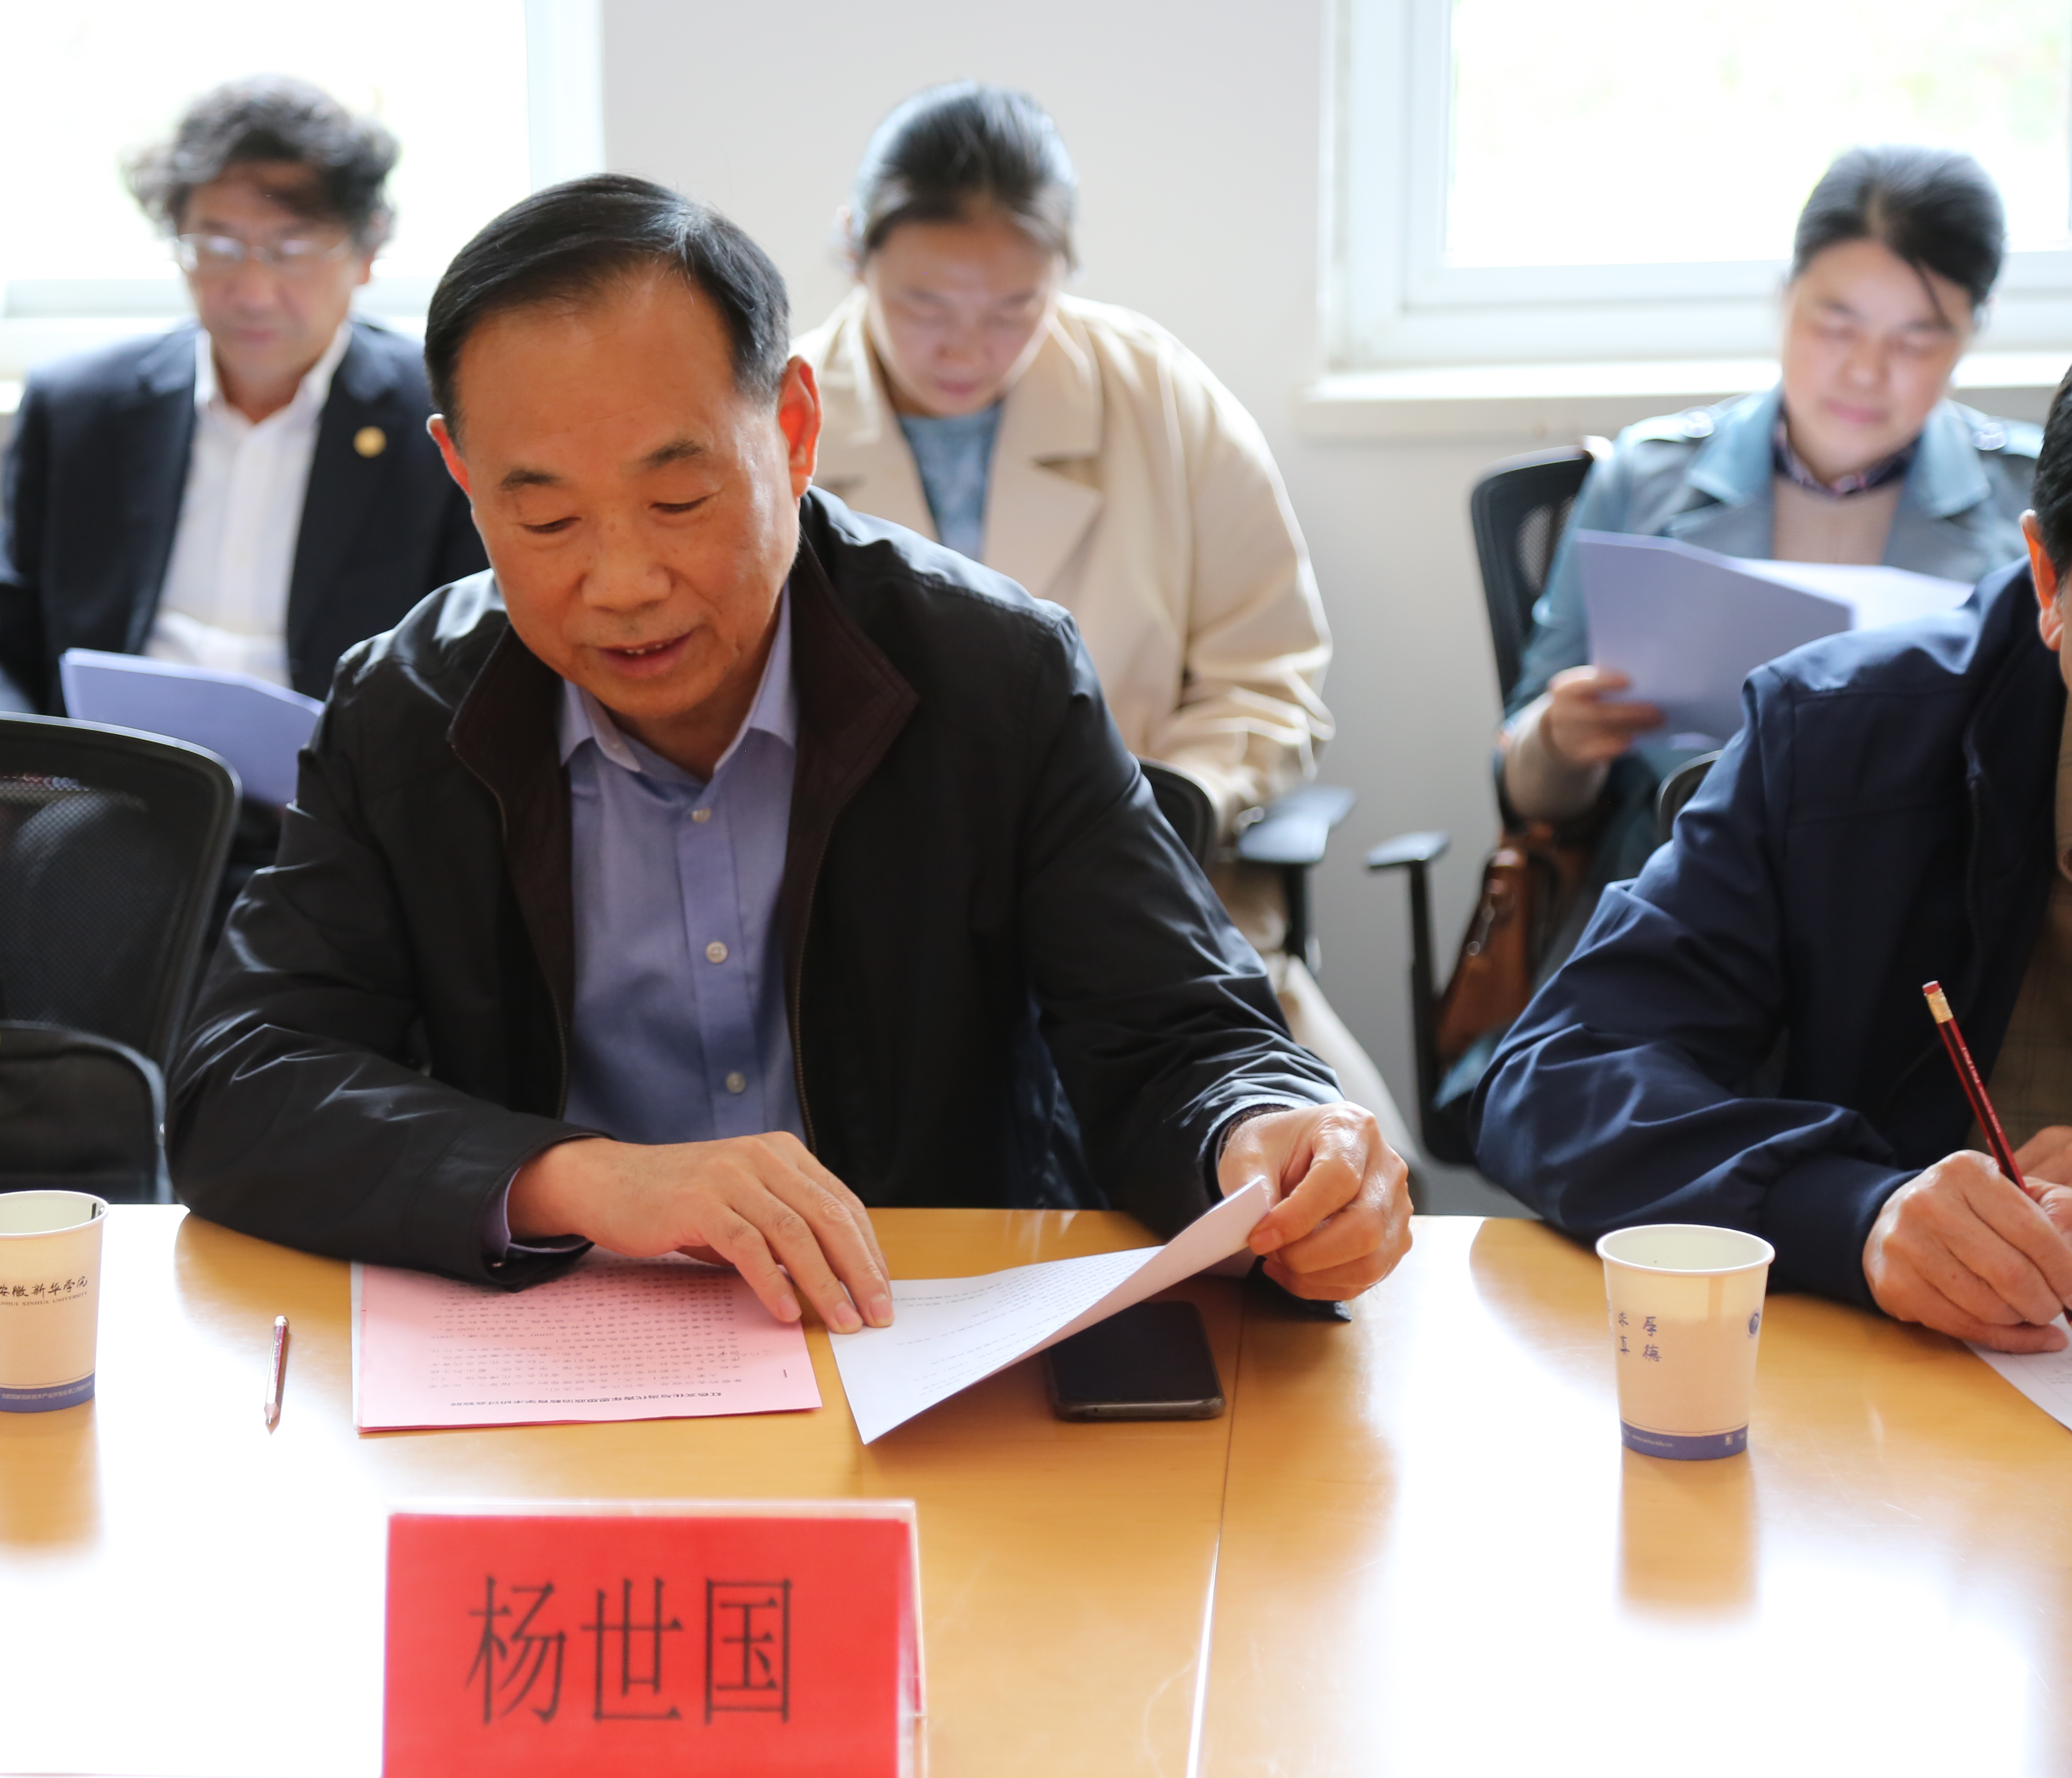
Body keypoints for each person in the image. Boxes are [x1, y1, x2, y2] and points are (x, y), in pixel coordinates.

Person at [167, 174, 1412, 1325]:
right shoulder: (408, 706)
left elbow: (1180, 1036)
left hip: (918, 1331)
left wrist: (1266, 1133)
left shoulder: (996, 676)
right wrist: (582, 1180)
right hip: (558, 1344)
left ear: (796, 429)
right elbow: (243, 1080)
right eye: (544, 519)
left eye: (680, 500)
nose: (623, 582)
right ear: (463, 476)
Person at [795, 83, 1411, 1157]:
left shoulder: (1160, 397)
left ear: (1064, 273)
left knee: (1346, 1180)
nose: (965, 348)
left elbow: (1267, 671)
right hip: (879, 931)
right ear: (856, 252)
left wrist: (1185, 796)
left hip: (1144, 895)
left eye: (1014, 308)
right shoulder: (774, 419)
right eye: (925, 304)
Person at [1475, 367, 2072, 1354]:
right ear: (2048, 583)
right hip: (1925, 1387)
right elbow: (1558, 1081)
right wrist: (1858, 1210)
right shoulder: (1841, 736)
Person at [1501, 145, 2038, 899]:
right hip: (1674, 890)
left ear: (1973, 332)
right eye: (1837, 323)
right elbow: (1523, 786)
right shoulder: (1648, 477)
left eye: (1917, 339)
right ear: (1785, 297)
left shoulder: (2031, 499)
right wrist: (1560, 743)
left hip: (1927, 903)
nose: (1865, 371)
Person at [0, 76, 483, 715]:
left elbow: (476, 669)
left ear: (367, 250)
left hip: (336, 773)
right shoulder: (80, 409)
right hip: (114, 768)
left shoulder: (442, 417)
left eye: (291, 249)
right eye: (217, 248)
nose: (252, 293)